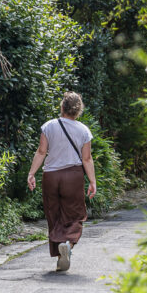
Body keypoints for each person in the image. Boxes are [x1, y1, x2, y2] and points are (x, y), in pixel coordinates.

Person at [26, 92, 96, 272]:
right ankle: (68, 244)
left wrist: (31, 173)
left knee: (54, 215)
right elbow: (87, 159)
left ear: (62, 107)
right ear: (78, 110)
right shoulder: (84, 130)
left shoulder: (49, 126)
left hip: (51, 176)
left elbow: (41, 152)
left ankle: (60, 258)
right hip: (73, 176)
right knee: (76, 215)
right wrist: (92, 181)